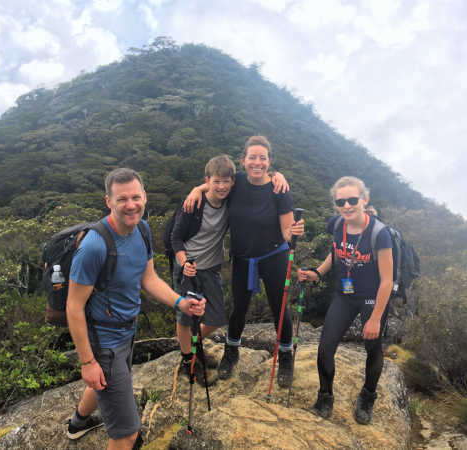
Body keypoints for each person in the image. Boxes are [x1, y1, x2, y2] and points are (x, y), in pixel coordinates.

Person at [65, 168, 206, 449]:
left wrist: (180, 302)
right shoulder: (94, 246)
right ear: (109, 201)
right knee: (127, 433)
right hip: (104, 342)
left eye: (135, 197)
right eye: (122, 199)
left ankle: (77, 423)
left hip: (127, 331)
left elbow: (148, 278)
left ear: (145, 196)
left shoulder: (141, 229)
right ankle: (103, 422)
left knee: (104, 381)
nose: (131, 205)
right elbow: (74, 307)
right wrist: (88, 362)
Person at [184, 136, 304, 388]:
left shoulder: (279, 189)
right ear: (243, 161)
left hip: (274, 256)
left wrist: (293, 233)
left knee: (279, 307)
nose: (257, 162)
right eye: (252, 157)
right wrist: (197, 189)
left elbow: (285, 231)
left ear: (269, 161)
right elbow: (215, 185)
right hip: (242, 258)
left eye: (262, 158)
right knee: (239, 307)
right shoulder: (236, 182)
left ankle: (285, 356)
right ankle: (231, 351)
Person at [298, 176, 393, 425]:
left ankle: (368, 395)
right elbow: (336, 254)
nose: (347, 206)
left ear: (364, 200)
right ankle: (325, 397)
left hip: (372, 298)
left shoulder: (379, 234)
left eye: (352, 200)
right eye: (341, 202)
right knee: (325, 348)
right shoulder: (336, 225)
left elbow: (387, 280)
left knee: (373, 347)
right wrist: (317, 272)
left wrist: (374, 319)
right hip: (345, 294)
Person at [171, 155, 235, 381]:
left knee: (216, 318)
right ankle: (188, 358)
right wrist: (183, 262)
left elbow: (256, 180)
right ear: (207, 180)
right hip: (189, 269)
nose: (221, 186)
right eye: (216, 181)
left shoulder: (230, 199)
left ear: (232, 182)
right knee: (186, 317)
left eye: (226, 181)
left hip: (211, 269)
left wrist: (277, 176)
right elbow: (176, 238)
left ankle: (192, 345)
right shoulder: (194, 204)